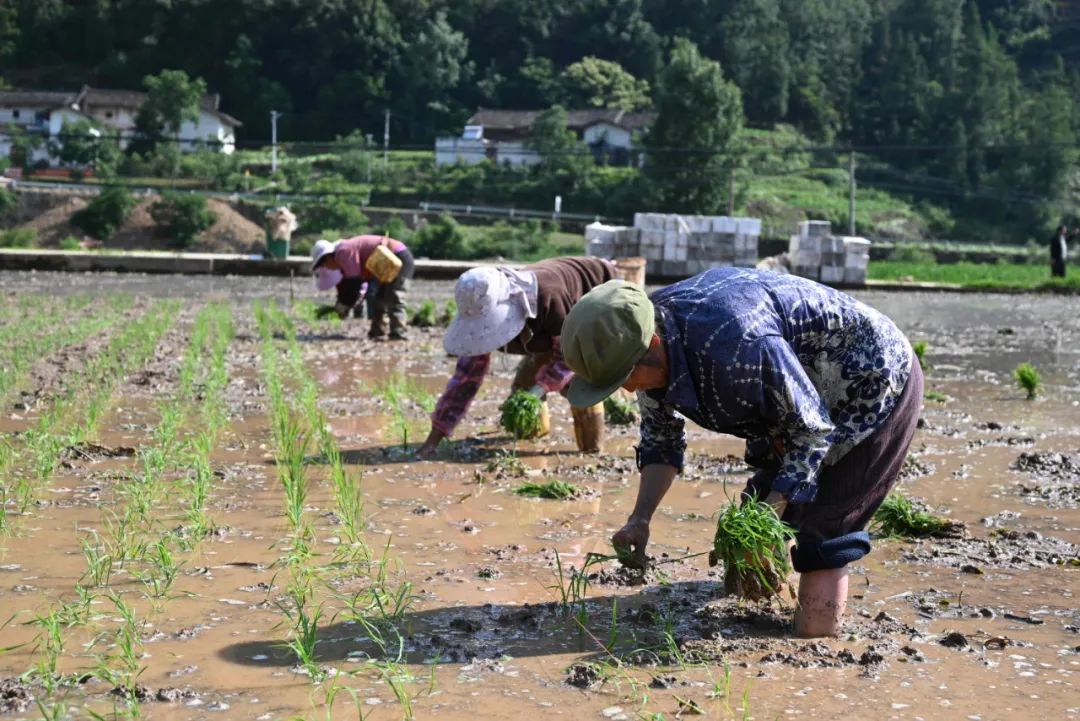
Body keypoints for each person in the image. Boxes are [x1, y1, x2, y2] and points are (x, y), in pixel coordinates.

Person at [559, 269, 923, 638]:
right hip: (797, 391)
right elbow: (661, 438)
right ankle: (754, 618)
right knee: (749, 519)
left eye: (624, 379)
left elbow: (811, 432)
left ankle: (817, 644)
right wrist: (640, 518)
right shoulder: (642, 342)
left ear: (652, 344)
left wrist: (770, 516)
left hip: (872, 380)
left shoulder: (736, 343)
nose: (626, 390)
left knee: (824, 529)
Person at [416, 257, 617, 460]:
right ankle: (533, 444)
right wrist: (433, 440)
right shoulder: (479, 308)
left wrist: (540, 388)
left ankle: (592, 453)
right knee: (524, 386)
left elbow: (569, 358)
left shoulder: (550, 299)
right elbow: (465, 381)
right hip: (551, 330)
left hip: (598, 299)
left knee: (578, 387)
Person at [311, 235, 414, 339]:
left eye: (324, 265)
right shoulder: (343, 256)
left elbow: (354, 282)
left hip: (396, 257)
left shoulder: (343, 252)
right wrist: (344, 302)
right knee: (379, 297)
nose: (326, 268)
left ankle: (399, 331)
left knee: (394, 296)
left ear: (328, 258)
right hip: (383, 263)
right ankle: (377, 331)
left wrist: (345, 304)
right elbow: (350, 284)